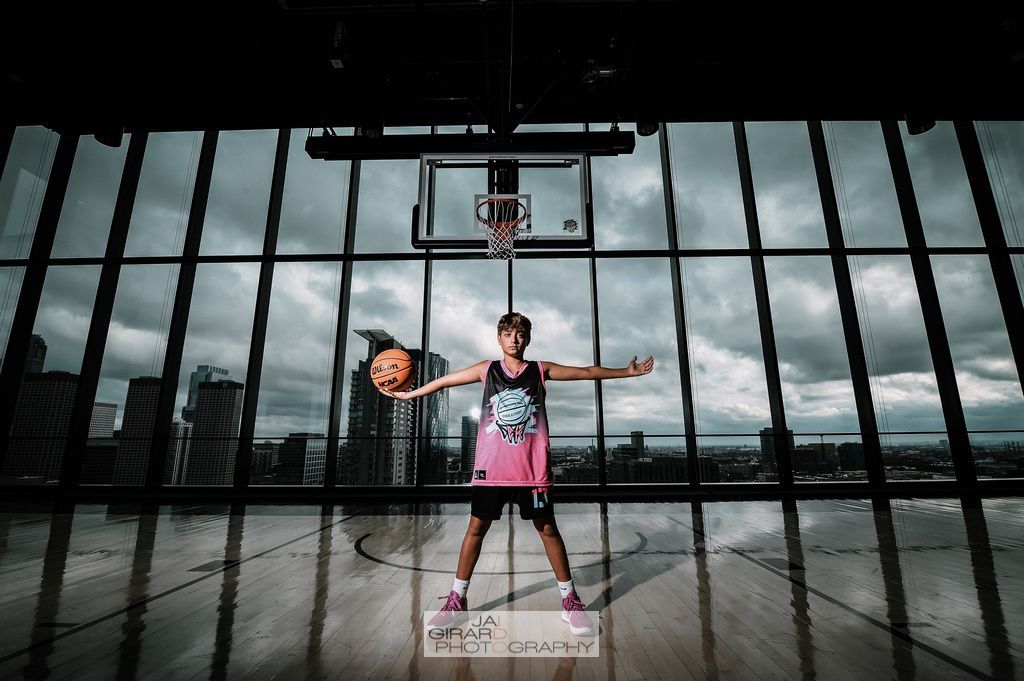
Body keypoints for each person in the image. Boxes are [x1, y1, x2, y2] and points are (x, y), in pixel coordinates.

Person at [380, 312, 654, 636]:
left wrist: (626, 371)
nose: (514, 339)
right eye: (508, 333)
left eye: (520, 334)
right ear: (499, 338)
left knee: (548, 529)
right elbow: (444, 381)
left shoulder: (540, 370)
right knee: (476, 528)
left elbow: (586, 372)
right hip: (491, 468)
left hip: (531, 469)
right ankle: (457, 598)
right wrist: (409, 394)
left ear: (527, 339)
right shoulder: (486, 370)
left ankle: (570, 600)